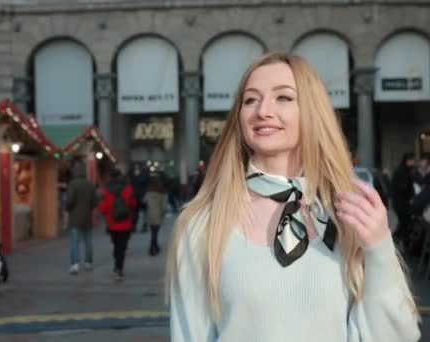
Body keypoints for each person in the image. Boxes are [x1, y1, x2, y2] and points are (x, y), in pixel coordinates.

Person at [166, 52, 420, 341]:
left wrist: (379, 249)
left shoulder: (348, 214)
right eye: (250, 100)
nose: (263, 110)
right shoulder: (201, 225)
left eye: (283, 97)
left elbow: (396, 335)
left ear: (311, 111)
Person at [99, 169, 137, 282]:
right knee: (122, 246)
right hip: (126, 223)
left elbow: (103, 208)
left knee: (116, 245)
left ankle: (117, 264)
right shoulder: (128, 189)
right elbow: (133, 204)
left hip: (112, 223)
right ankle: (119, 267)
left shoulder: (106, 190)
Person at [66, 162, 98, 275]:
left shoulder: (73, 184)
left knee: (75, 242)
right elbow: (95, 202)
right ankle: (88, 262)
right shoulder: (90, 185)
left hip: (75, 217)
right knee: (88, 241)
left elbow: (69, 201)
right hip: (87, 218)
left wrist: (68, 208)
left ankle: (75, 264)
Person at [392, 153, 416, 247]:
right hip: (402, 203)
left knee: (403, 223)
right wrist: (410, 196)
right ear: (408, 161)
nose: (414, 163)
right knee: (404, 223)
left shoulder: (402, 170)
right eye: (412, 160)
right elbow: (404, 187)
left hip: (399, 202)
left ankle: (396, 239)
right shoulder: (403, 172)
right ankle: (401, 242)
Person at [143, 176, 166, 256]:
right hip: (158, 215)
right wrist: (163, 214)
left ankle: (155, 246)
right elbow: (163, 207)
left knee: (153, 232)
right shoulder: (160, 194)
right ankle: (152, 248)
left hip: (149, 215)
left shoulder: (147, 193)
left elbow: (144, 203)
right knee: (155, 232)